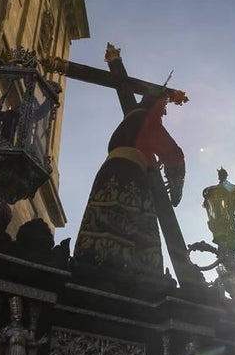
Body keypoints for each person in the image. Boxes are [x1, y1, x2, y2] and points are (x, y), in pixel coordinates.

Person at [74, 91, 185, 277]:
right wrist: (176, 187)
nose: (164, 112)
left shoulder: (128, 121)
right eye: (163, 107)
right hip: (131, 174)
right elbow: (173, 154)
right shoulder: (147, 119)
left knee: (100, 222)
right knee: (136, 227)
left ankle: (92, 262)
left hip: (107, 174)